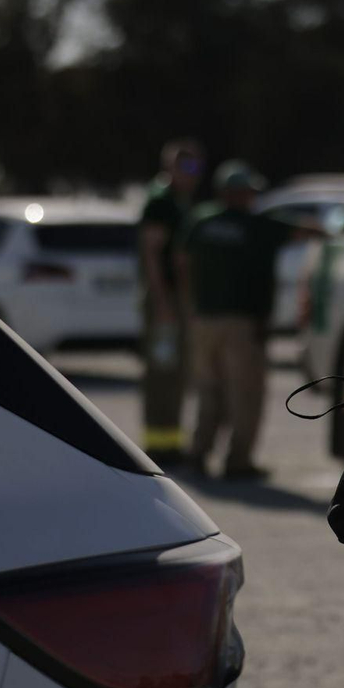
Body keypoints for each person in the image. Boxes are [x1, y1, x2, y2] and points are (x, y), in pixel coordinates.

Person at [176, 159, 316, 481]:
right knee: (245, 393)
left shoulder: (200, 221)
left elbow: (182, 262)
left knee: (209, 389)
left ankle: (198, 453)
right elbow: (307, 230)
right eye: (248, 192)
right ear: (238, 194)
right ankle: (238, 461)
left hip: (204, 320)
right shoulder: (258, 226)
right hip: (242, 323)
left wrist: (192, 306)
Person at [137, 138, 204, 465]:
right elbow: (151, 254)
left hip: (177, 297)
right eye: (185, 166)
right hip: (164, 296)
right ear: (170, 167)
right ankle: (157, 445)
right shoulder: (161, 201)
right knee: (162, 372)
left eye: (195, 167)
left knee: (177, 372)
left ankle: (171, 443)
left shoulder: (182, 201)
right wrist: (162, 302)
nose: (191, 174)